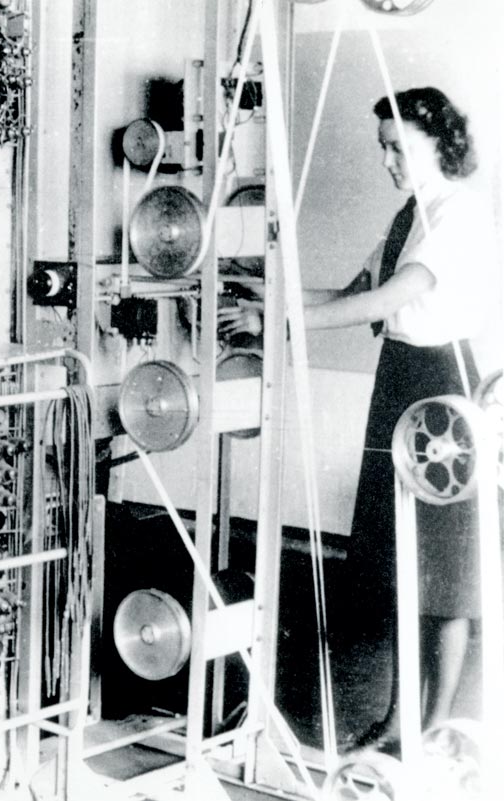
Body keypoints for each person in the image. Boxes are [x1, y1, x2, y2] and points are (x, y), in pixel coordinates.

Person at [220, 87, 493, 751]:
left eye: (397, 148)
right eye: (383, 149)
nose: (389, 161)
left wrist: (278, 321)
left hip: (441, 390)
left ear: (437, 140)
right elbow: (351, 296)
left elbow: (398, 294)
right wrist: (267, 293)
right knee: (400, 556)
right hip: (397, 379)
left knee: (444, 563)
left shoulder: (460, 213)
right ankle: (399, 718)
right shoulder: (412, 211)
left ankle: (432, 729)